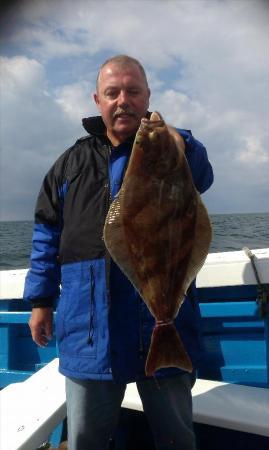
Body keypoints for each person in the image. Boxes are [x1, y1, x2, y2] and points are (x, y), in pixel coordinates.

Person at [24, 54, 214, 450]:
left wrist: (180, 139)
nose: (122, 100)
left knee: (177, 437)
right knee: (86, 440)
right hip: (90, 327)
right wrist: (41, 300)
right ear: (98, 101)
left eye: (132, 91)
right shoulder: (69, 164)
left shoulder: (173, 148)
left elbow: (202, 173)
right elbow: (46, 234)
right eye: (112, 93)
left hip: (164, 320)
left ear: (147, 97)